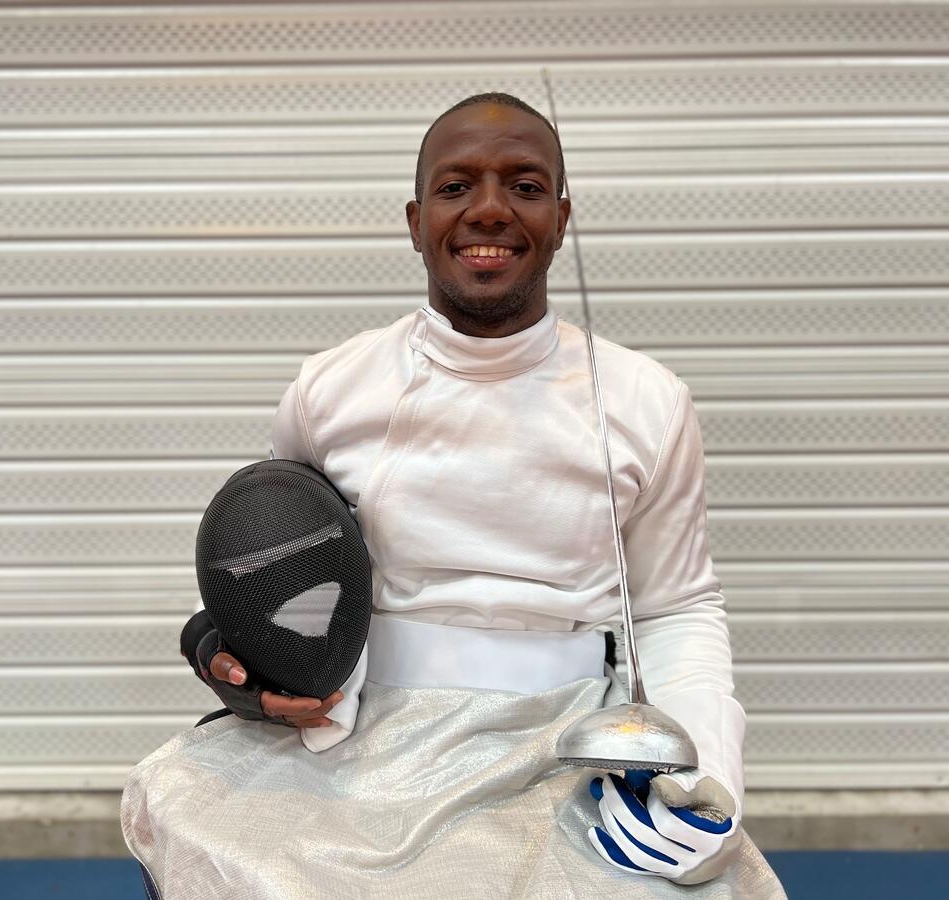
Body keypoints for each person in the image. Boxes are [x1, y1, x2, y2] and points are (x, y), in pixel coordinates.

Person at [123, 92, 786, 898]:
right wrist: (224, 650)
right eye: (456, 187)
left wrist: (703, 777)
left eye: (526, 187)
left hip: (567, 742)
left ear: (562, 217)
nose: (490, 211)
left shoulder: (648, 400)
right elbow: (281, 565)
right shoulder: (331, 389)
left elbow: (676, 608)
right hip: (366, 738)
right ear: (414, 220)